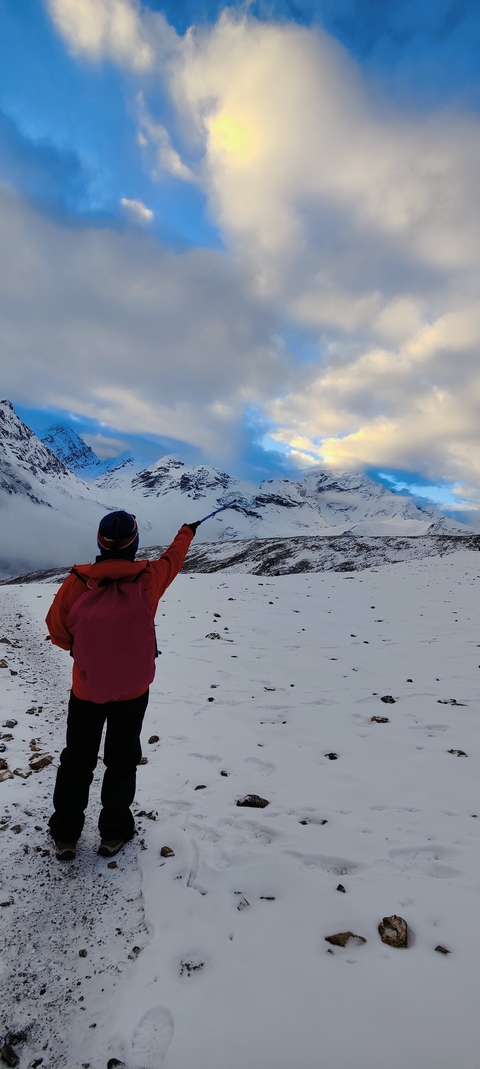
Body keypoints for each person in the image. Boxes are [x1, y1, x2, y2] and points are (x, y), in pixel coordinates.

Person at [45, 510, 199, 861]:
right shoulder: (149, 578)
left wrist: (86, 653)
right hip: (133, 691)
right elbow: (174, 558)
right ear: (135, 543)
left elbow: (57, 631)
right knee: (122, 760)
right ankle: (114, 833)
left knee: (77, 761)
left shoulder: (77, 583)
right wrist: (187, 531)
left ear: (100, 543)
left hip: (87, 690)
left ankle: (66, 835)